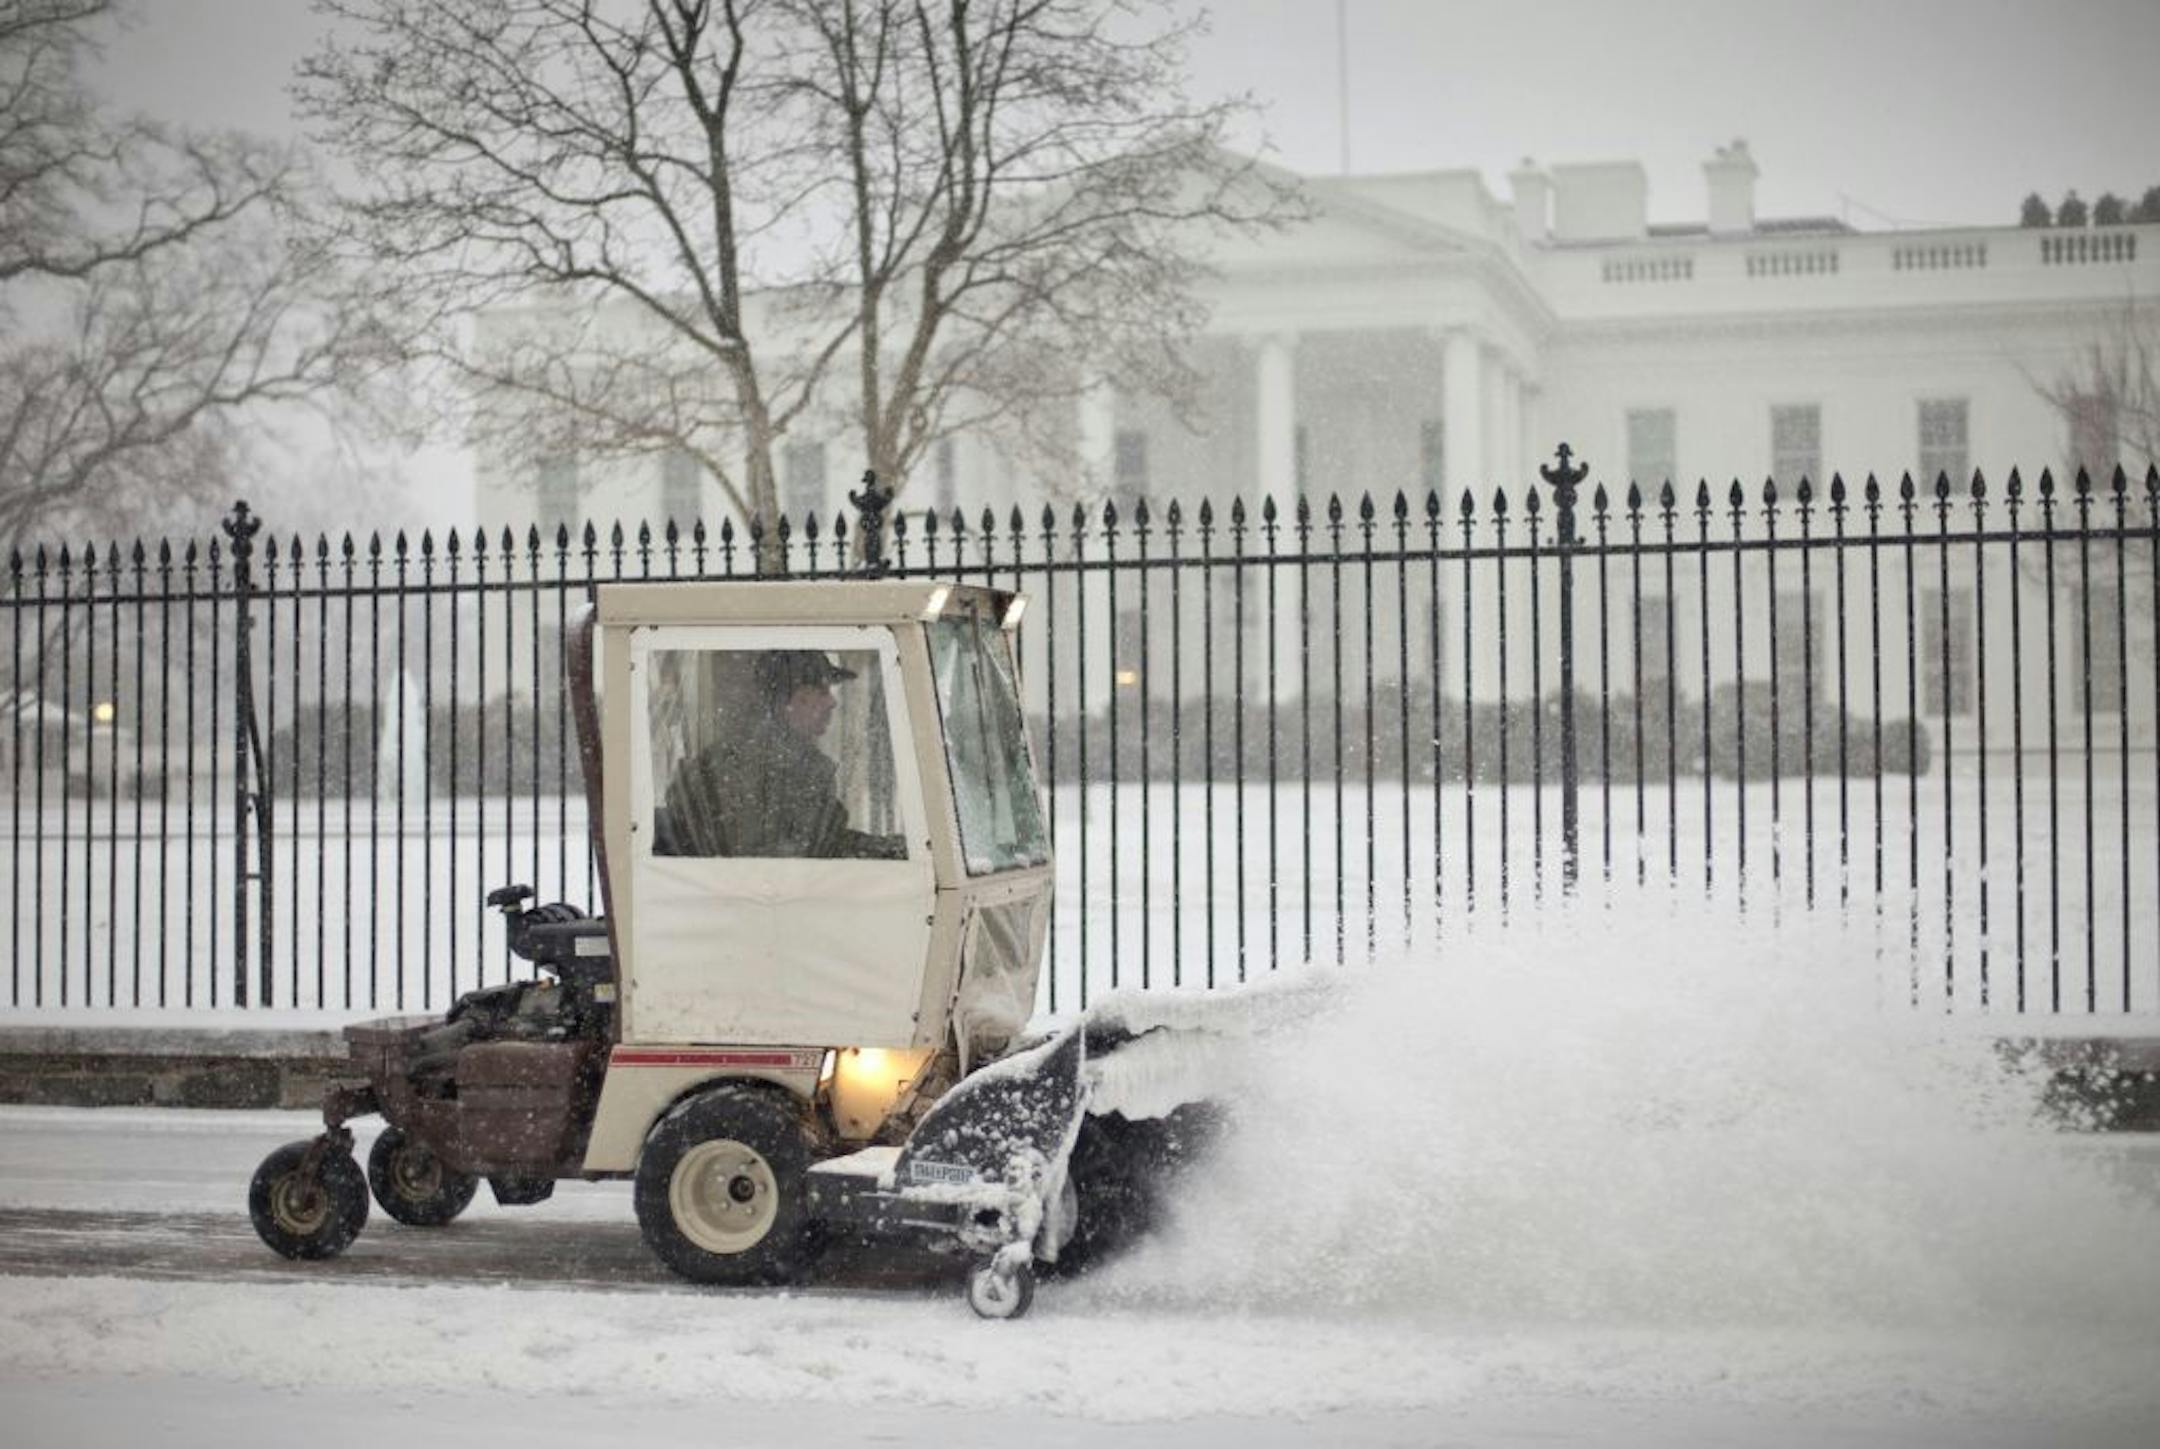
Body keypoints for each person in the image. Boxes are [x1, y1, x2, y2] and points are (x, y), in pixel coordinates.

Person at [657, 650, 905, 859]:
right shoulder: (768, 767)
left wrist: (885, 849)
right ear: (792, 700)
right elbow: (798, 854)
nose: (832, 703)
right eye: (822, 691)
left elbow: (824, 842)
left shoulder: (766, 757)